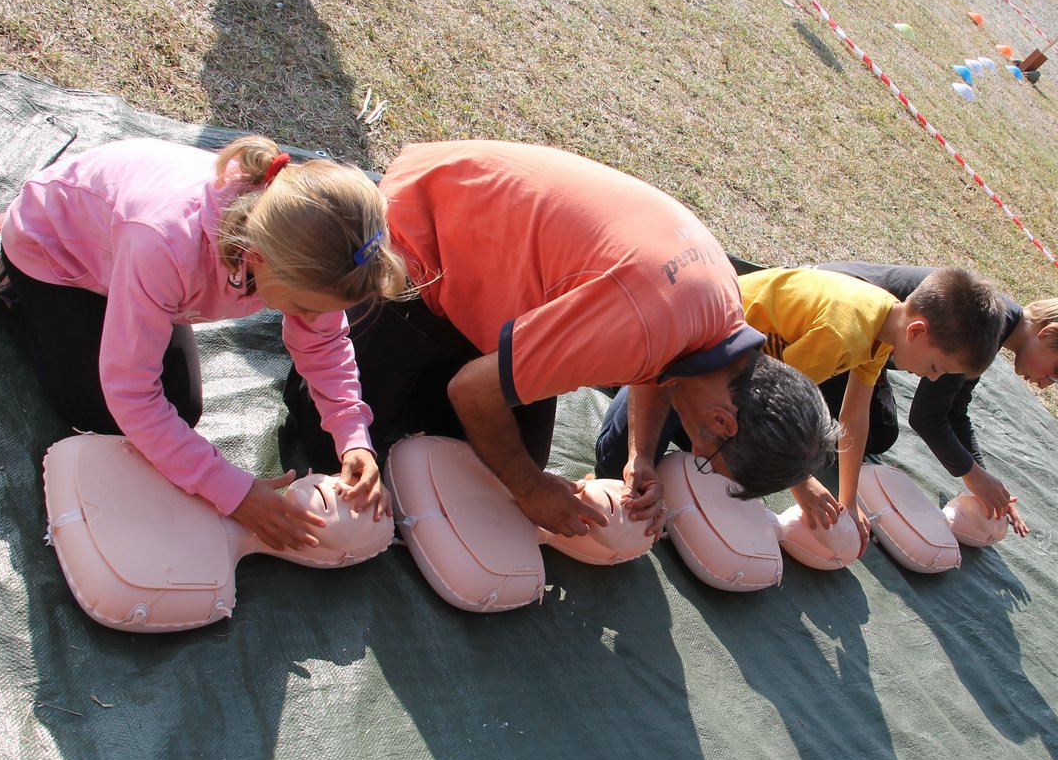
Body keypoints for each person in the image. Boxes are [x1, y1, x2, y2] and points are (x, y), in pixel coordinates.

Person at [282, 140, 839, 539]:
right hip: (423, 238)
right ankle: (354, 350)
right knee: (343, 441)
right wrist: (528, 487)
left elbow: (666, 368)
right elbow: (475, 392)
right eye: (707, 454)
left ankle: (424, 372)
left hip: (506, 281)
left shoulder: (719, 319)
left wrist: (640, 456)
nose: (693, 452)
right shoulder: (640, 325)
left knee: (507, 462)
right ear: (723, 422)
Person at [0, 136, 404, 551]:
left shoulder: (291, 244)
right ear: (257, 257)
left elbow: (324, 344)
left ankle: (130, 303)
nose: (312, 318)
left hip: (132, 261)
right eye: (305, 305)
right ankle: (8, 264)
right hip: (55, 249)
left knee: (179, 409)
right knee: (95, 408)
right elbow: (131, 395)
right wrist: (232, 491)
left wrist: (353, 437)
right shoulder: (167, 245)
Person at [595, 265, 1007, 554]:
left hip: (731, 380)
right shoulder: (841, 333)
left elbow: (854, 417)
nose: (932, 379)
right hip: (694, 352)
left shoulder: (884, 327)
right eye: (936, 368)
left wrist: (849, 501)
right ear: (917, 332)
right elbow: (765, 412)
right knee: (616, 464)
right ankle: (625, 378)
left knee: (722, 457)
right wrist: (802, 483)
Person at [811, 262, 1058, 536]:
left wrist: (983, 475)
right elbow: (927, 416)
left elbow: (955, 410)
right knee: (825, 429)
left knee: (879, 434)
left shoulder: (999, 323)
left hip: (865, 356)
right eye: (1057, 371)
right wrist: (973, 476)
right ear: (1050, 333)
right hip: (826, 321)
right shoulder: (983, 326)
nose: (1045, 384)